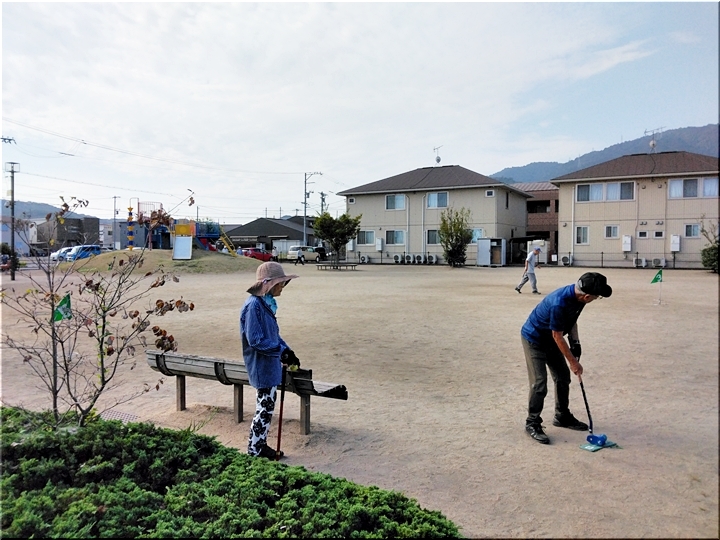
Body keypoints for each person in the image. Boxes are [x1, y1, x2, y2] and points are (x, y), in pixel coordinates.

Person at [521, 272, 612, 444]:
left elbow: (571, 321)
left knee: (563, 377)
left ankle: (562, 416)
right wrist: (573, 362)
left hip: (553, 339)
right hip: (535, 340)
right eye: (596, 297)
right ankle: (532, 422)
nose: (596, 299)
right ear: (587, 296)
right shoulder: (559, 303)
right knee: (539, 383)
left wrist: (575, 343)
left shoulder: (579, 299)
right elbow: (557, 335)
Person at [240, 261, 301, 459]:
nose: (283, 286)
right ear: (270, 284)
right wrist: (280, 352)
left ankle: (258, 446)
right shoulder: (254, 306)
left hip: (269, 364)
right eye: (280, 283)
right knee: (264, 408)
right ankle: (256, 449)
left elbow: (274, 336)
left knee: (266, 406)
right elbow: (256, 340)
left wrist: (287, 351)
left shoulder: (265, 304)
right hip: (262, 365)